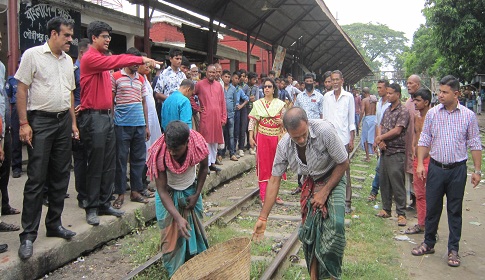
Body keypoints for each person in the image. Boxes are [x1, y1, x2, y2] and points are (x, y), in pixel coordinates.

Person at [79, 20, 161, 226]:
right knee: (96, 163)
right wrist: (140, 58)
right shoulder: (91, 58)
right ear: (94, 38)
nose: (108, 39)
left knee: (109, 163)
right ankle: (91, 206)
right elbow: (115, 61)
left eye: (109, 36)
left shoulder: (103, 59)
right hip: (94, 116)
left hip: (107, 117)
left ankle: (105, 202)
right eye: (104, 36)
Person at [252, 107, 348, 280]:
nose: (302, 139)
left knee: (335, 226)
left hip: (333, 175)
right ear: (286, 131)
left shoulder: (324, 131)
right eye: (296, 137)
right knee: (309, 232)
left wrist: (325, 192)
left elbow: (343, 162)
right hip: (311, 181)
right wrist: (263, 217)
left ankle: (332, 275)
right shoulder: (284, 146)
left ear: (308, 123)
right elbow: (274, 180)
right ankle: (314, 276)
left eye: (304, 134)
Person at [15, 17, 78, 260]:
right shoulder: (33, 55)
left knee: (61, 175)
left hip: (63, 121)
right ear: (53, 34)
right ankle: (28, 235)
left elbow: (69, 94)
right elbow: (22, 89)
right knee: (36, 177)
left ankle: (54, 224)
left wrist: (72, 123)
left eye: (71, 36)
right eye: (66, 36)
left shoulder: (67, 60)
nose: (70, 40)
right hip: (40, 120)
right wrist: (24, 123)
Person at [412, 75, 482, 268]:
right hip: (436, 167)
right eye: (439, 91)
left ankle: (453, 249)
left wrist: (477, 170)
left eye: (444, 92)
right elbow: (424, 139)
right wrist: (419, 164)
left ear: (456, 94)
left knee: (454, 210)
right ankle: (428, 242)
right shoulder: (434, 114)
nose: (440, 95)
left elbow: (475, 143)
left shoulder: (468, 116)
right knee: (433, 207)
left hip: (457, 170)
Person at [146, 121, 209, 277]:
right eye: (170, 149)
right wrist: (178, 218)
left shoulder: (198, 144)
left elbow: (204, 168)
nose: (173, 153)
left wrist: (197, 194)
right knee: (169, 238)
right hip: (168, 193)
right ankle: (175, 273)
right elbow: (161, 189)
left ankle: (196, 269)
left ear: (187, 143)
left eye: (177, 149)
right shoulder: (159, 152)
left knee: (196, 231)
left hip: (191, 190)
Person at [112, 47, 153, 210]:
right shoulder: (116, 76)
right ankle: (120, 193)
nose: (137, 65)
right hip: (121, 124)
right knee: (121, 159)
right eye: (135, 62)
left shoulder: (141, 79)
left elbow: (144, 102)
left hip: (139, 124)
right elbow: (111, 99)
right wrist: (112, 120)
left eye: (139, 62)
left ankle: (135, 191)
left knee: (138, 159)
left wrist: (146, 125)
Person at [374, 83, 410, 227]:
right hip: (385, 151)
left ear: (398, 95)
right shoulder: (387, 110)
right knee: (384, 181)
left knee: (397, 182)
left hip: (396, 151)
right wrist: (379, 139)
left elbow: (397, 130)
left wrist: (381, 138)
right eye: (387, 93)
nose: (387, 95)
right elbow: (380, 126)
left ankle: (401, 213)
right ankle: (386, 208)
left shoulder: (403, 111)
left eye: (390, 93)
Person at [322, 70, 356, 214]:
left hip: (343, 139)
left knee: (344, 170)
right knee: (327, 170)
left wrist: (352, 138)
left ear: (342, 80)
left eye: (337, 79)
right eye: (332, 79)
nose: (335, 82)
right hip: (328, 139)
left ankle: (347, 201)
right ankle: (328, 199)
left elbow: (351, 119)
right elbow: (323, 118)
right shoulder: (326, 97)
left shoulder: (348, 97)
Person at [248, 78, 286, 205]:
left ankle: (275, 195)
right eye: (265, 87)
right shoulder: (258, 104)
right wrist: (250, 136)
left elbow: (286, 121)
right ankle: (264, 196)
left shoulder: (280, 104)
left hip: (276, 139)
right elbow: (252, 121)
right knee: (264, 167)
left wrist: (282, 121)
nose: (267, 89)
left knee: (276, 166)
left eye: (269, 86)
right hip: (262, 138)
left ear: (274, 89)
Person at [291, 73, 324, 195]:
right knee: (300, 156)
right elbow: (295, 111)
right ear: (304, 83)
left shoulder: (320, 97)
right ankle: (300, 185)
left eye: (311, 81)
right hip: (301, 131)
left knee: (315, 156)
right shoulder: (299, 97)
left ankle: (315, 182)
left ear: (314, 82)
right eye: (307, 81)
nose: (309, 83)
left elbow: (322, 115)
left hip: (315, 131)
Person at [405, 88, 431, 235]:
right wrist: (413, 151)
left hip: (431, 160)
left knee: (432, 195)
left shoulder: (433, 117)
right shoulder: (416, 116)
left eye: (418, 100)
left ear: (426, 102)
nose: (414, 103)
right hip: (417, 159)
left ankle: (431, 226)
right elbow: (415, 135)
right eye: (414, 100)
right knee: (420, 194)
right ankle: (422, 224)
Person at [194, 65, 226, 173]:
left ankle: (212, 163)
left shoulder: (219, 86)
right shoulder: (199, 84)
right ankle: (205, 165)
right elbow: (190, 95)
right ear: (206, 72)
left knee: (215, 142)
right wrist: (197, 108)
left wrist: (223, 117)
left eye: (214, 72)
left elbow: (222, 102)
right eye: (210, 72)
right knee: (206, 141)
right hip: (206, 117)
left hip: (217, 118)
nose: (212, 74)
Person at [138, 52, 162, 191]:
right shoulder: (139, 80)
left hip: (152, 122)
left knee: (150, 151)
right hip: (144, 122)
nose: (148, 66)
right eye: (144, 63)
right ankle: (141, 184)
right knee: (142, 153)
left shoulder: (146, 79)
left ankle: (145, 181)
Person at [72, 38, 90, 208]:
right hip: (78, 119)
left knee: (92, 157)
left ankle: (91, 193)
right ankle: (82, 195)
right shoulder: (74, 70)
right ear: (83, 53)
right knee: (80, 158)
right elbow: (69, 95)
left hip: (91, 118)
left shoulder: (88, 70)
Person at [368, 79, 390, 201]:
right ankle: (376, 191)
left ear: (387, 89)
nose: (378, 90)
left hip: (388, 140)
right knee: (380, 166)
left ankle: (374, 191)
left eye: (380, 88)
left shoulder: (390, 104)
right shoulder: (379, 103)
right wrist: (376, 140)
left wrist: (382, 139)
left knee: (380, 167)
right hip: (380, 139)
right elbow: (377, 123)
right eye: (378, 88)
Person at [154, 48, 185, 129]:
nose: (179, 61)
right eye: (177, 58)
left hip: (181, 109)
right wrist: (171, 100)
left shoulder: (183, 75)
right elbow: (157, 93)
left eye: (180, 59)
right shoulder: (164, 74)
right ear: (170, 59)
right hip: (169, 109)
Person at [405, 75, 421, 207]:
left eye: (411, 83)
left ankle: (419, 200)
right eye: (407, 83)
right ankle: (413, 199)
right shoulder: (407, 104)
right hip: (408, 143)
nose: (408, 86)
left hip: (420, 146)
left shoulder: (425, 103)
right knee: (409, 173)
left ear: (418, 85)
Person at [5, 57, 22, 179]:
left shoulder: (30, 79)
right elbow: (8, 97)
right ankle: (16, 167)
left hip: (29, 108)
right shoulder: (12, 80)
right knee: (16, 139)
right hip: (16, 110)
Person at [218, 70, 238, 162]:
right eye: (225, 76)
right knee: (221, 135)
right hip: (221, 116)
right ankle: (220, 154)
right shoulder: (219, 87)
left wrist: (232, 111)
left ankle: (232, 153)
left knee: (231, 135)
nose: (227, 78)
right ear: (222, 77)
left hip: (230, 115)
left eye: (228, 77)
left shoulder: (233, 89)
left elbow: (234, 101)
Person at [232, 71, 249, 159]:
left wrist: (241, 106)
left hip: (237, 111)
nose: (237, 80)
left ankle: (234, 150)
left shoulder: (239, 89)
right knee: (228, 132)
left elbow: (247, 98)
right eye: (236, 78)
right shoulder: (228, 88)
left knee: (236, 131)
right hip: (228, 112)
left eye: (238, 78)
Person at [359, 87, 377, 162]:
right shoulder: (374, 100)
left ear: (364, 93)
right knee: (374, 137)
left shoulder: (364, 100)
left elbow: (362, 111)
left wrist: (359, 121)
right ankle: (376, 154)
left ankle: (367, 157)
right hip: (374, 118)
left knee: (365, 138)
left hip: (367, 119)